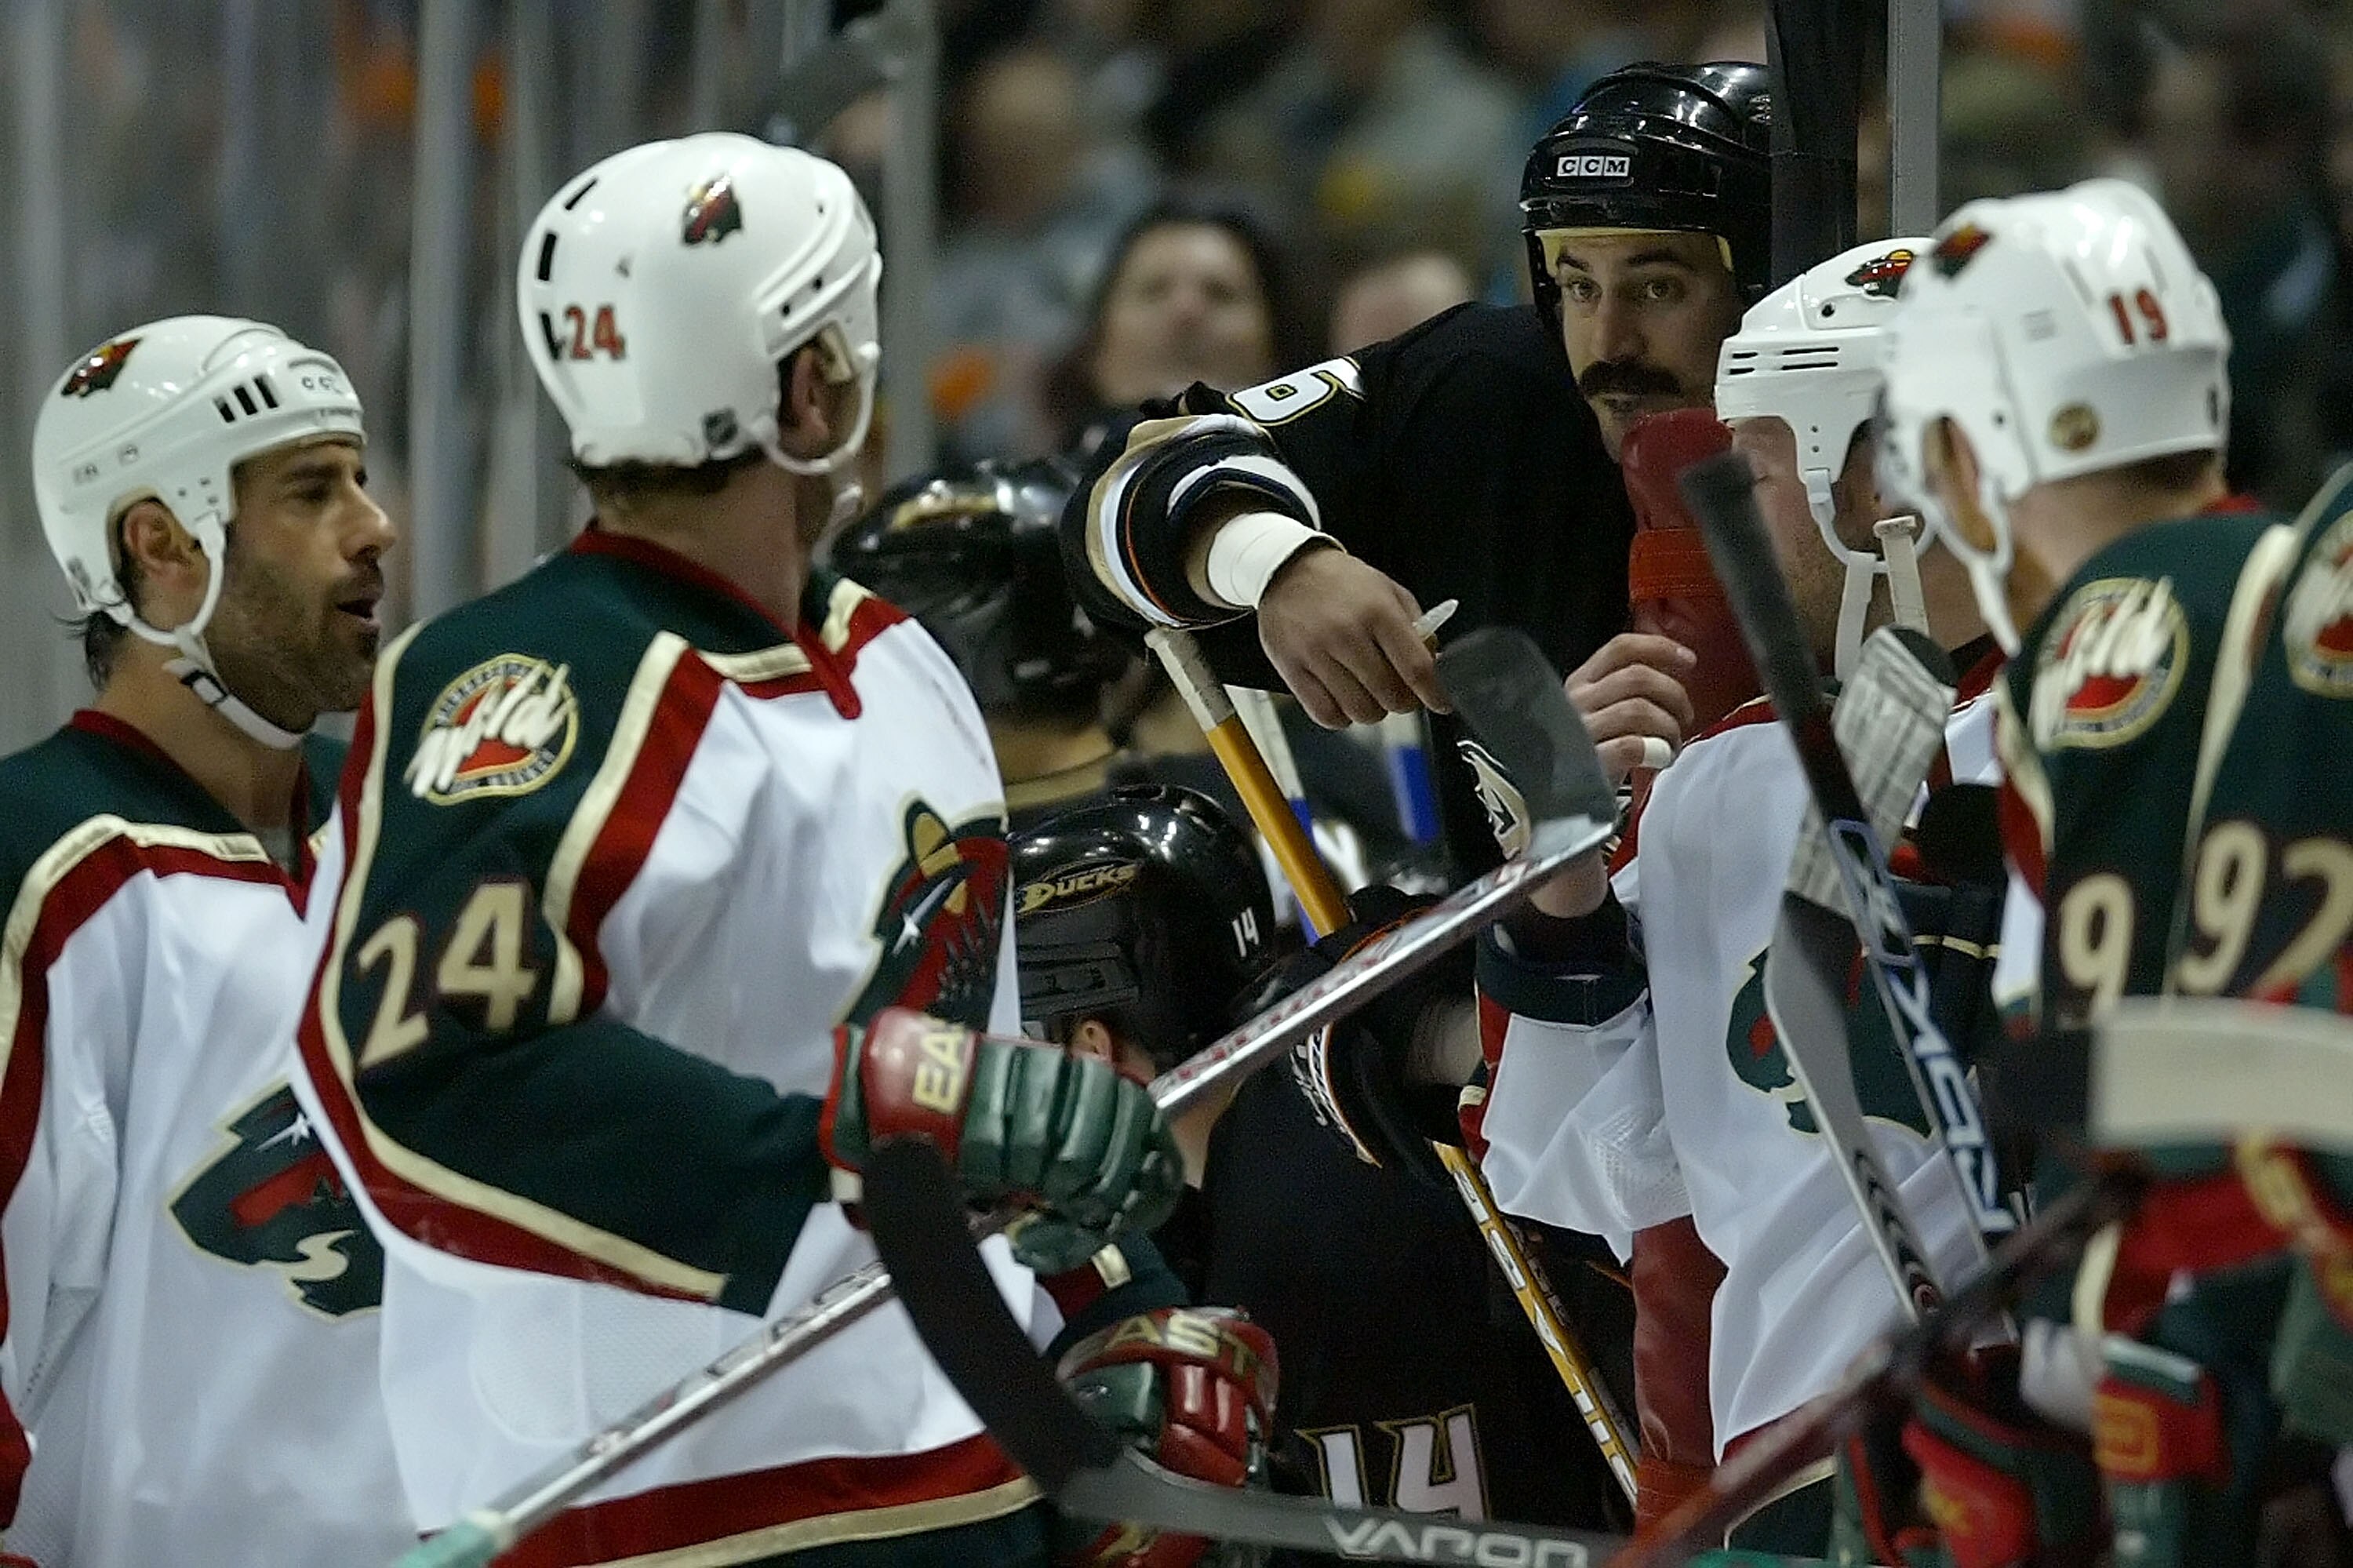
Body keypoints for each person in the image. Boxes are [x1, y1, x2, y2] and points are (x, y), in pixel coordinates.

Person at [290, 132, 1258, 1568]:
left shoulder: (897, 657)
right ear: (817, 383)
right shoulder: (525, 680)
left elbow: (963, 1054)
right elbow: (424, 1071)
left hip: (957, 1476)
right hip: (648, 1509)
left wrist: (1118, 1295)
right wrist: (868, 1122)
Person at [1467, 240, 2006, 1553]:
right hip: (1789, 1480)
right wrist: (1562, 884)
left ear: (1887, 477)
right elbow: (1583, 1167)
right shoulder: (1717, 783)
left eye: (1757, 469)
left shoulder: (2103, 735)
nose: (1723, 514)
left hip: (2042, 1446)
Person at [1874, 177, 2325, 1567]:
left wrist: (2135, 1387)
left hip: (2280, 1383)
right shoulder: (2286, 568)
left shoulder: (2112, 639)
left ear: (1967, 443)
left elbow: (2180, 1107)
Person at [1057, 60, 1771, 879]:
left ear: (1764, 281)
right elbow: (1118, 495)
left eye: (1656, 289)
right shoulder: (1485, 392)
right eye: (1578, 286)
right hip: (1519, 987)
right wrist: (1279, 564)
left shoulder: (1878, 433)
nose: (1608, 346)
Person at [9, 315, 407, 1564]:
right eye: (311, 488)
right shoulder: (43, 869)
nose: (375, 523)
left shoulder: (416, 827)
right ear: (163, 546)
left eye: (360, 474)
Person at [1012, 785, 1637, 1561]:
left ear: (1091, 1046)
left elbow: (1502, 1032)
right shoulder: (1167, 1236)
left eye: (1023, 1049)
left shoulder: (1330, 1051)